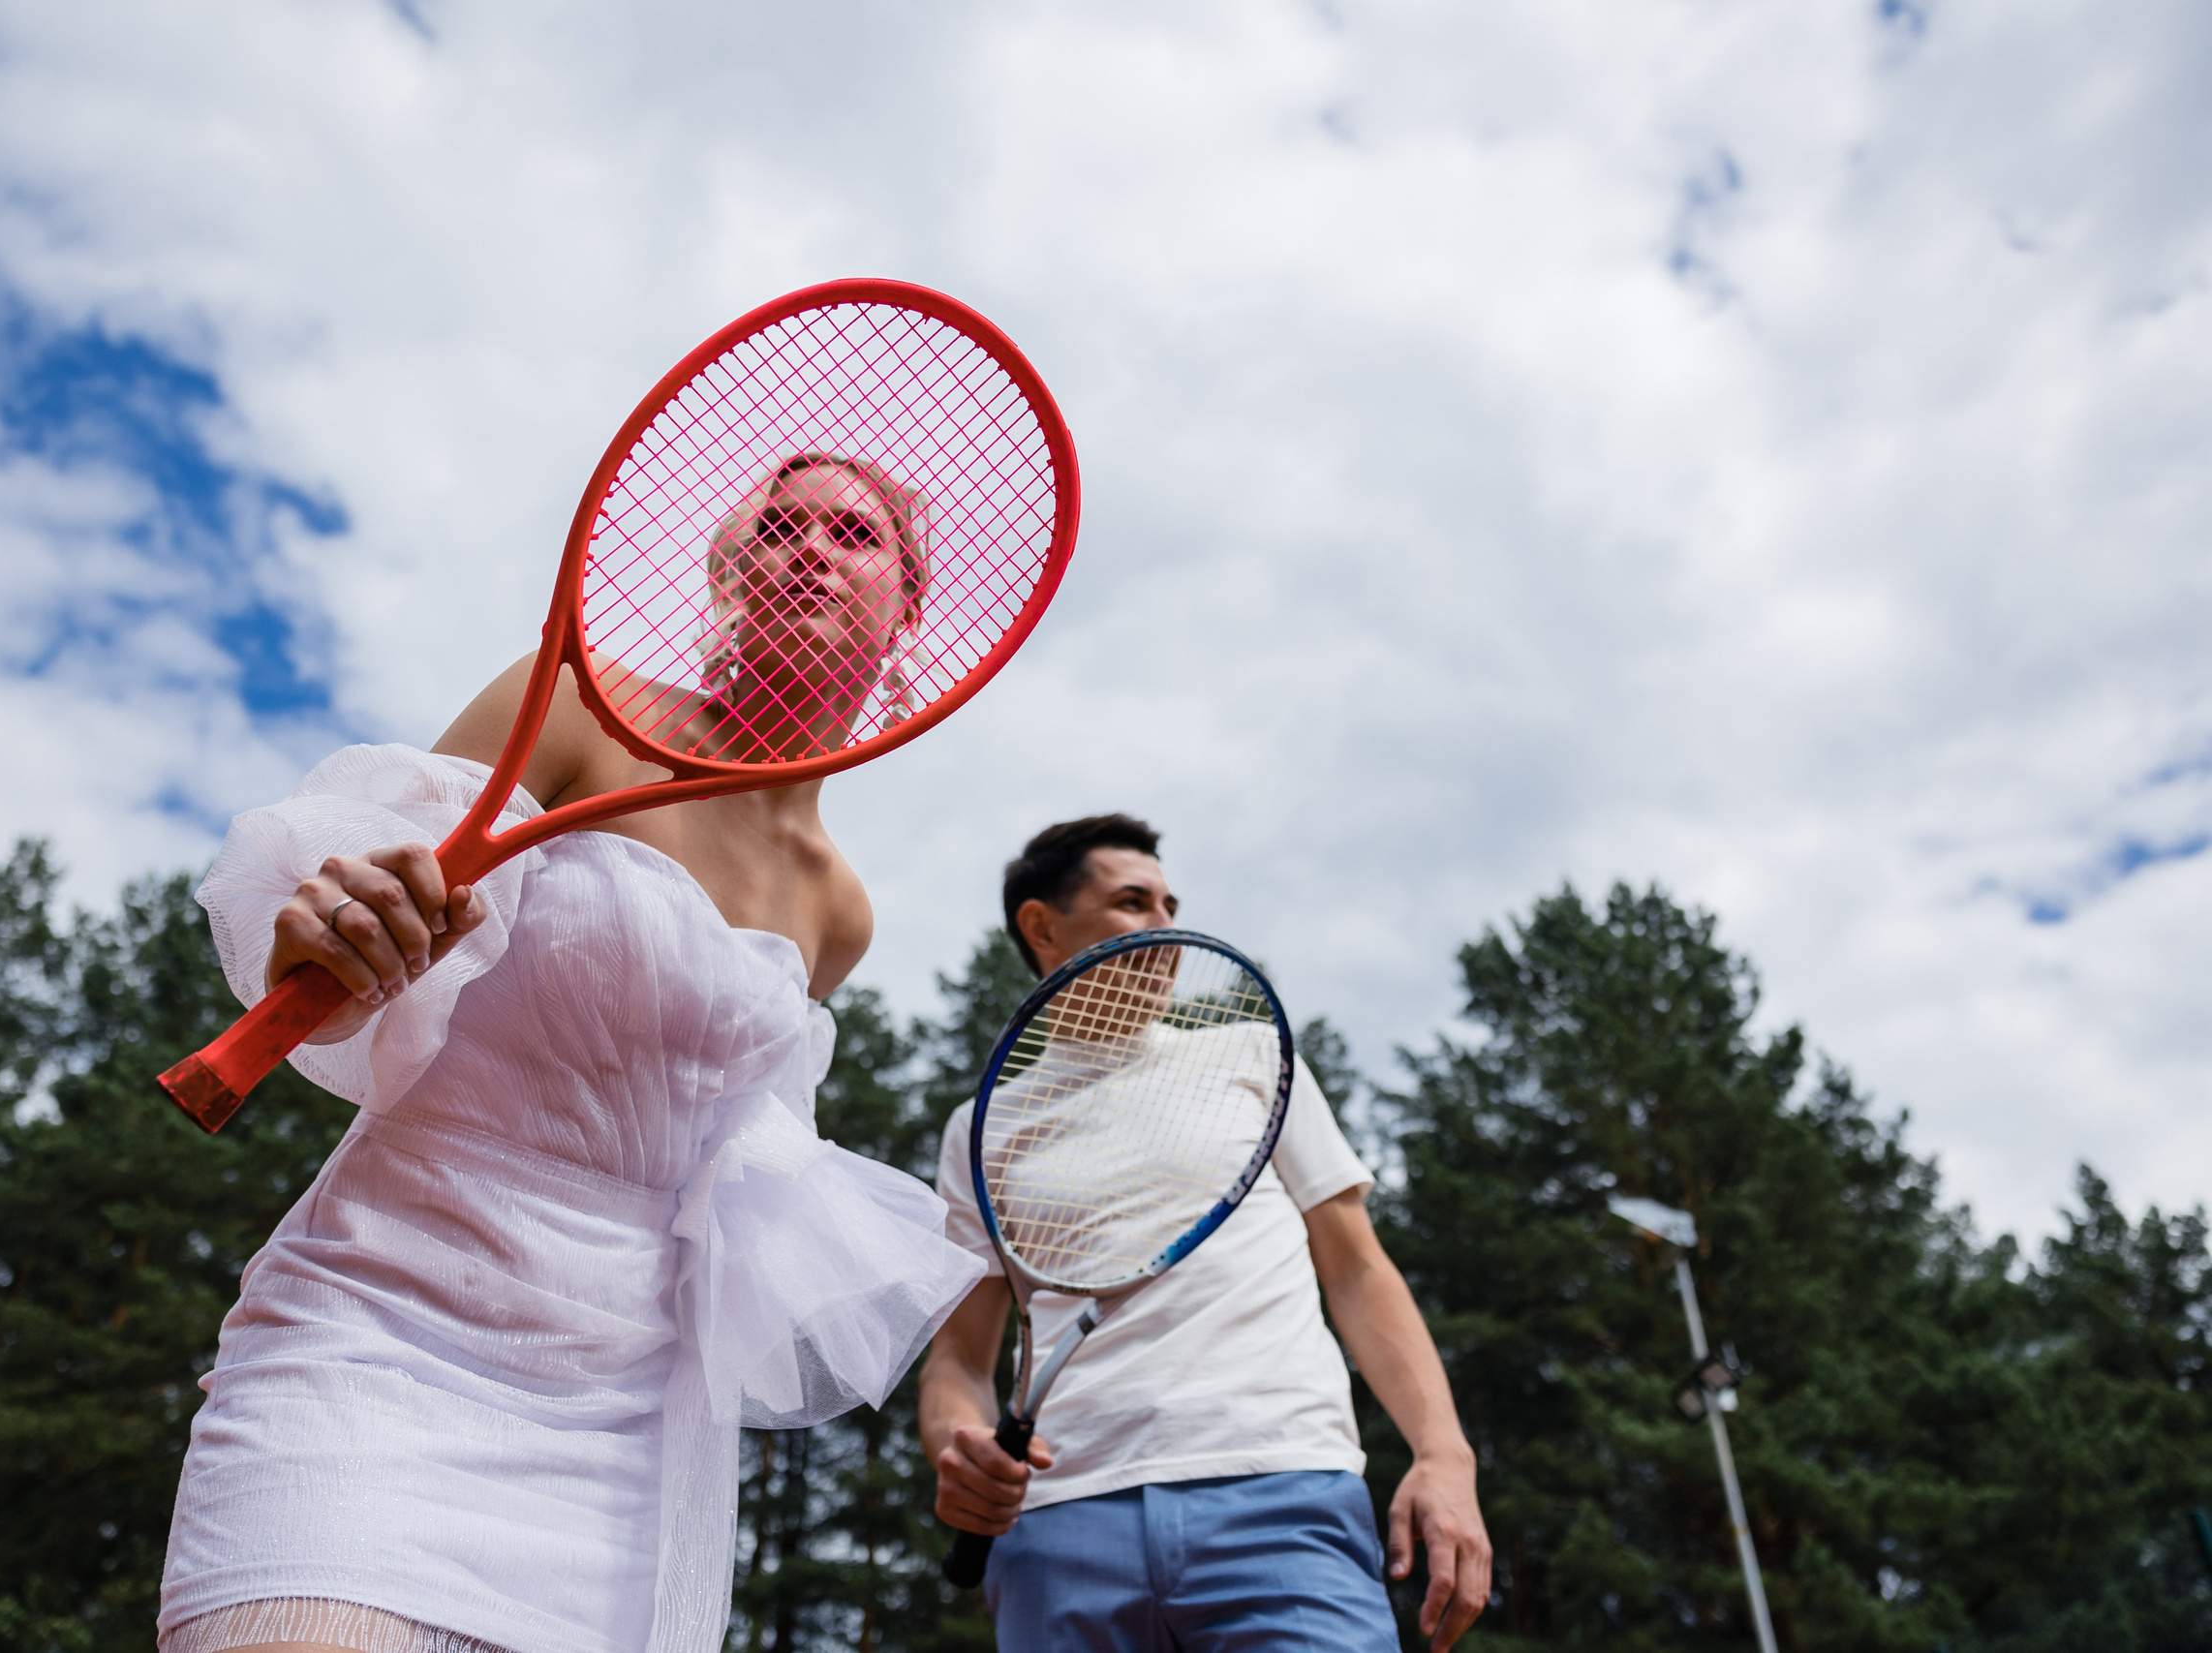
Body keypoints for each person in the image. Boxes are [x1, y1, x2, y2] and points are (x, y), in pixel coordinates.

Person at [156, 455, 984, 1653]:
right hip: (379, 1343)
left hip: (619, 1440)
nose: (807, 546)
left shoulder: (838, 911)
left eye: (852, 533)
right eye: (777, 526)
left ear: (908, 605)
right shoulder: (575, 710)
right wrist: (334, 930)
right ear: (725, 571)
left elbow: (731, 1172)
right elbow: (337, 990)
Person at [917, 814, 1492, 1652]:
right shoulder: (979, 1127)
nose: (1166, 924)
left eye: (1171, 901)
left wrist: (1445, 1455)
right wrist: (957, 1447)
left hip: (1280, 1487)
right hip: (1057, 1524)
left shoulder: (1256, 1055)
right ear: (1041, 925)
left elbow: (1359, 1272)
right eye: (1131, 901)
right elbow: (961, 1359)